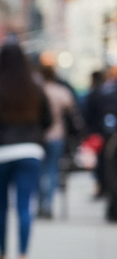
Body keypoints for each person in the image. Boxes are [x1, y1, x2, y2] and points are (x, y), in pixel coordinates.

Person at [0, 43, 52, 259]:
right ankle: (24, 257)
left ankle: (2, 255)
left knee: (0, 206)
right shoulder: (35, 89)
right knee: (24, 205)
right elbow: (47, 120)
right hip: (29, 151)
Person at [38, 62, 81, 218]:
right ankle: (47, 204)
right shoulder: (61, 92)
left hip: (38, 137)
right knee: (52, 171)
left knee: (40, 171)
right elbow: (74, 113)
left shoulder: (37, 92)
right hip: (57, 136)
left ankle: (41, 203)